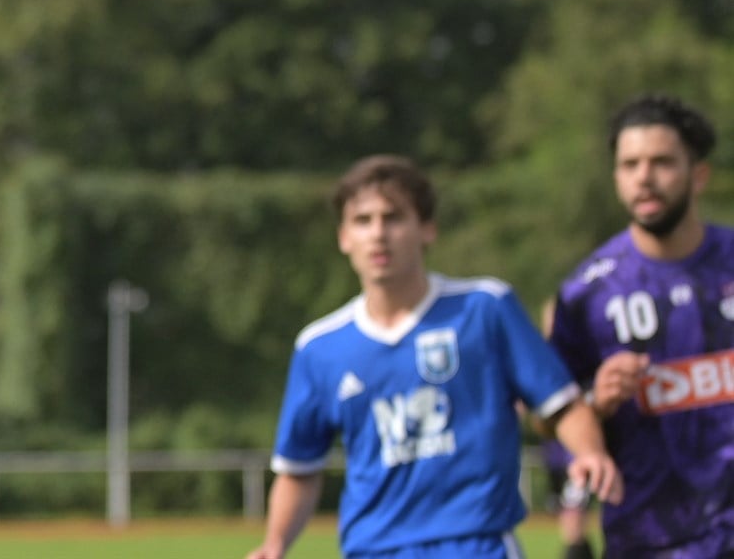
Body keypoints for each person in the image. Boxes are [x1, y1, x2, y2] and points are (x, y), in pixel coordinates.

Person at [246, 155, 621, 559]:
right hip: (374, 551)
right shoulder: (319, 348)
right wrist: (275, 543)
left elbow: (561, 404)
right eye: (363, 221)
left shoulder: (485, 308)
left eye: (393, 218)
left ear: (427, 228)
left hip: (478, 545)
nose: (378, 234)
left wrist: (590, 452)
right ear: (344, 237)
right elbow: (299, 469)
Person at [549, 94, 734, 557]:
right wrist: (598, 400)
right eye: (630, 165)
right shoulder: (586, 294)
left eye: (662, 162)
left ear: (699, 175)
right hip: (650, 539)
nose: (644, 178)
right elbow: (550, 413)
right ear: (616, 178)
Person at [534, 301, 597, 559]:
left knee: (574, 514)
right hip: (554, 450)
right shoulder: (542, 355)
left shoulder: (582, 354)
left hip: (578, 449)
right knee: (566, 512)